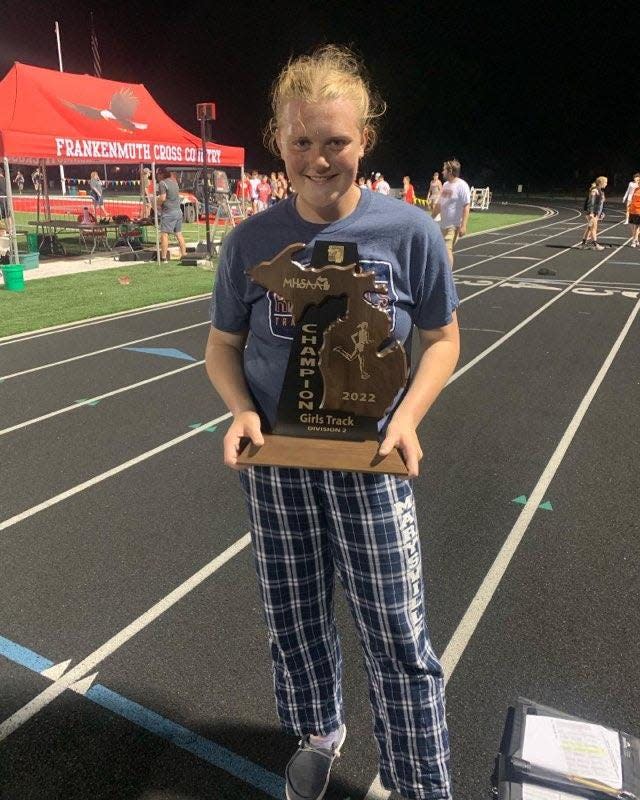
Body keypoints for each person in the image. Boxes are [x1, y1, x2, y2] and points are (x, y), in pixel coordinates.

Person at [205, 44, 459, 800]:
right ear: (278, 143)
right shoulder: (250, 240)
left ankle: (420, 782)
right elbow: (223, 348)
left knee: (395, 632)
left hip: (371, 460)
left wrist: (409, 417)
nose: (319, 158)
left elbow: (442, 339)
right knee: (293, 617)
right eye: (301, 141)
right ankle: (318, 731)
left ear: (365, 142)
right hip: (277, 463)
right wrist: (242, 409)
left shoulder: (410, 233)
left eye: (336, 141)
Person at [432, 159, 471, 266]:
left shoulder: (462, 186)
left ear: (450, 171)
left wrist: (464, 226)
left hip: (453, 226)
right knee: (439, 251)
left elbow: (466, 206)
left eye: (444, 169)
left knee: (446, 249)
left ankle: (447, 276)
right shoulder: (445, 185)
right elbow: (440, 204)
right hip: (442, 225)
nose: (442, 172)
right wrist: (431, 218)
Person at [156, 166, 187, 261]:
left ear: (161, 174)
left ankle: (163, 257)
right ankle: (184, 254)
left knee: (164, 234)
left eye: (157, 175)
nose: (157, 177)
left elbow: (163, 198)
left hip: (169, 212)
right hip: (178, 211)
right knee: (179, 234)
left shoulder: (162, 183)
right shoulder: (174, 182)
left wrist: (156, 203)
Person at [579, 176, 607, 251]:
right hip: (592, 213)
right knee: (593, 228)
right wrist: (591, 212)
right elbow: (592, 202)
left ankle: (583, 244)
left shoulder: (600, 191)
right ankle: (595, 244)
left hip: (595, 213)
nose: (606, 184)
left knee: (589, 228)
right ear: (601, 183)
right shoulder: (595, 190)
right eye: (605, 182)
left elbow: (600, 204)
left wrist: (602, 212)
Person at [626, 178, 640, 247]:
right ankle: (636, 239)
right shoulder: (636, 189)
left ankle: (634, 241)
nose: (638, 183)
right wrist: (630, 203)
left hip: (638, 211)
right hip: (633, 210)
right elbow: (633, 198)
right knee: (632, 225)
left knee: (636, 227)